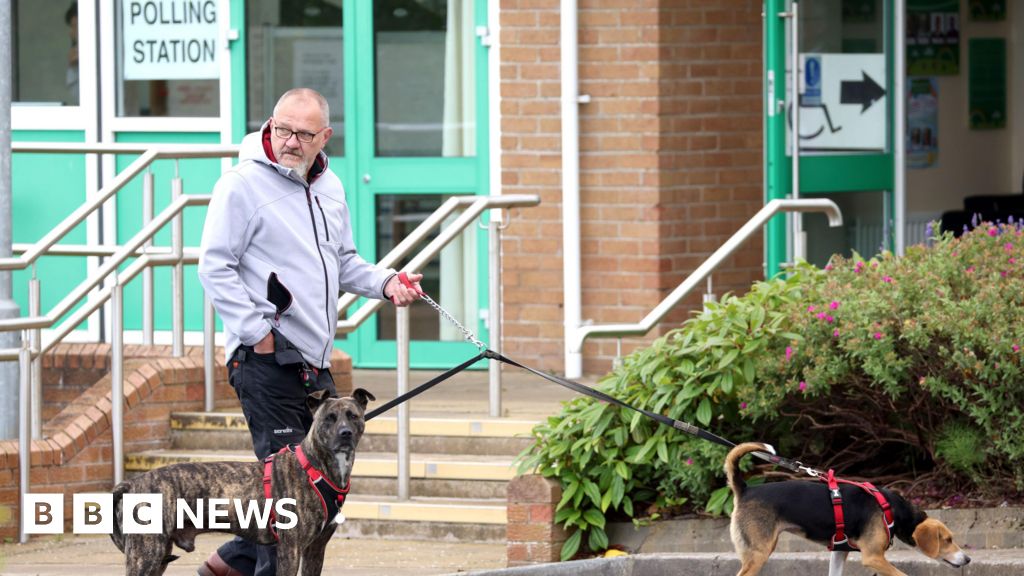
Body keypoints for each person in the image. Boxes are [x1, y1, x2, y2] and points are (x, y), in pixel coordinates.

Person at [197, 88, 422, 576]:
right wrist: (257, 333)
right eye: (282, 129)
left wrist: (387, 282)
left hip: (312, 364)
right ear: (270, 125)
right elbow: (214, 266)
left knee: (316, 492)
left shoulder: (330, 186)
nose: (290, 142)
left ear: (325, 136)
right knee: (289, 505)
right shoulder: (240, 185)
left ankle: (224, 566)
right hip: (264, 360)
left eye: (303, 133)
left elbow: (342, 262)